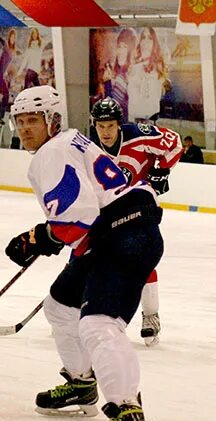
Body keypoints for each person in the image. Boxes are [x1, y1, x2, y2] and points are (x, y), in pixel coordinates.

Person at [6, 85, 163, 421]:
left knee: (98, 324)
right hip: (117, 231)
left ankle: (128, 415)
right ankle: (81, 383)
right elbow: (84, 215)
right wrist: (52, 236)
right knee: (60, 307)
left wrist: (36, 236)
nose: (26, 129)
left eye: (34, 120)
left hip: (123, 234)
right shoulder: (70, 140)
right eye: (20, 121)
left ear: (53, 120)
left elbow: (76, 220)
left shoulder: (51, 153)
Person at [90, 97, 182, 346]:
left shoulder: (138, 135)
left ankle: (151, 316)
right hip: (110, 209)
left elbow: (173, 142)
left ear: (119, 124)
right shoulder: (89, 149)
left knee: (141, 257)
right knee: (87, 257)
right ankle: (77, 312)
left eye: (110, 125)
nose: (105, 131)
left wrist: (161, 170)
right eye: (100, 126)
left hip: (141, 205)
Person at [127, 27, 167, 122]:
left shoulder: (157, 69)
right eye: (143, 38)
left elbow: (151, 103)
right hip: (133, 122)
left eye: (149, 38)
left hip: (149, 121)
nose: (145, 41)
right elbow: (132, 100)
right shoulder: (134, 68)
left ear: (154, 43)